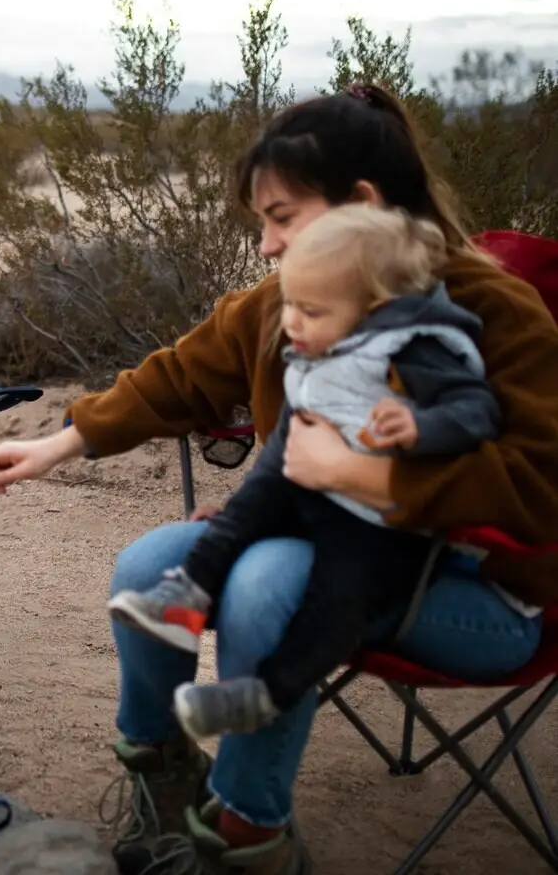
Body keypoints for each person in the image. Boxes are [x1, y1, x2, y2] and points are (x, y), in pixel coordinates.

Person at [0, 82, 558, 875]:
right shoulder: (290, 303)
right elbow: (179, 375)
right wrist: (57, 444)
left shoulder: (488, 312)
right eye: (262, 222)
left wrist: (370, 476)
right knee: (147, 565)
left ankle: (252, 839)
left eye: (281, 218)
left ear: (361, 203)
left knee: (264, 581)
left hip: (480, 591)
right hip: (329, 548)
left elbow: (539, 484)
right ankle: (170, 782)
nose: (266, 246)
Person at [108, 204, 502, 741]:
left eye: (311, 311)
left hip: (377, 522)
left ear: (374, 308)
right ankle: (186, 594)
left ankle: (264, 694)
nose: (293, 322)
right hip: (308, 492)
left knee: (336, 600)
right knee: (245, 509)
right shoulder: (322, 343)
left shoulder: (414, 346)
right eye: (290, 303)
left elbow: (476, 410)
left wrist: (419, 424)